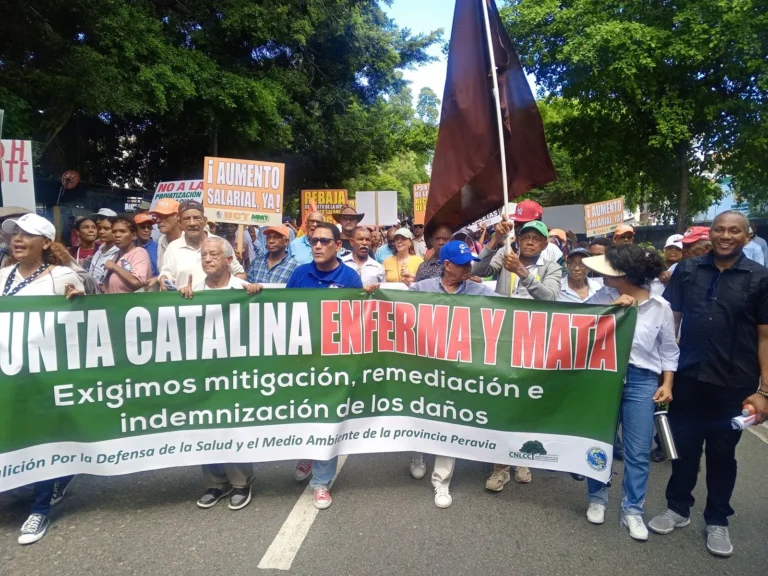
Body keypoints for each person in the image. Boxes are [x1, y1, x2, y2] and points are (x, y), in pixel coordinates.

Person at [648, 211, 768, 557]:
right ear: (710, 234)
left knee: (722, 453)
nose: (726, 236)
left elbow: (765, 337)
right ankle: (677, 508)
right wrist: (665, 373)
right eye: (720, 229)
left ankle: (717, 519)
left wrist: (764, 392)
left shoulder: (761, 278)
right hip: (687, 378)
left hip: (734, 384)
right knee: (683, 448)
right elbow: (669, 321)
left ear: (747, 236)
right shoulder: (687, 270)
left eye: (734, 231)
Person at [580, 245, 678, 541]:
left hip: (642, 381)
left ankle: (633, 509)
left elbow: (669, 350)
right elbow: (581, 331)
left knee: (638, 450)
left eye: (610, 270)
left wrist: (667, 383)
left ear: (627, 275)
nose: (603, 276)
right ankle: (597, 498)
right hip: (604, 378)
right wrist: (612, 310)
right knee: (600, 442)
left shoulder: (660, 307)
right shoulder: (602, 297)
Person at [0, 213, 84, 545]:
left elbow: (87, 313)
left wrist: (77, 300)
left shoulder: (61, 276)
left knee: (44, 436)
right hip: (9, 373)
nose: (18, 239)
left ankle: (40, 508)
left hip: (44, 374)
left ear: (46, 243)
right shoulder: (2, 275)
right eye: (15, 234)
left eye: (27, 234)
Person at [407, 240, 500, 508]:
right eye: (462, 264)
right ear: (447, 265)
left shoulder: (478, 290)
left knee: (450, 419)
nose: (468, 267)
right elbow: (397, 308)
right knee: (420, 413)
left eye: (469, 262)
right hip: (424, 368)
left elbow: (509, 310)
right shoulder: (422, 289)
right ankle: (417, 452)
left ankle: (442, 481)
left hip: (458, 370)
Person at [176, 237, 261, 510]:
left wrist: (257, 294)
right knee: (206, 423)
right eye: (204, 255)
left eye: (214, 254)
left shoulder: (244, 289)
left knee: (234, 423)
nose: (207, 259)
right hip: (204, 372)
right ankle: (215, 483)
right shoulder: (193, 291)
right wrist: (180, 300)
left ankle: (240, 482)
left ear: (228, 260)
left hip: (235, 372)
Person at [475, 220, 562, 489]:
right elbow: (477, 270)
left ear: (545, 244)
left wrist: (522, 273)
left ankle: (522, 456)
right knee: (501, 399)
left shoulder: (552, 267)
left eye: (537, 238)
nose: (530, 241)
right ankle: (500, 466)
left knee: (525, 400)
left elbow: (549, 297)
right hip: (502, 339)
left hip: (532, 342)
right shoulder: (506, 255)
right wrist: (493, 241)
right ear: (519, 239)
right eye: (526, 237)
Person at [285, 223, 363, 509]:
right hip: (303, 361)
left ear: (338, 246)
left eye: (324, 241)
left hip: (333, 363)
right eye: (313, 241)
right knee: (306, 413)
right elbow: (283, 310)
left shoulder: (350, 278)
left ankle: (321, 482)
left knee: (328, 419)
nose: (317, 246)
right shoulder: (299, 274)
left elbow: (356, 322)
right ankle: (309, 452)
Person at [159, 200, 245, 290]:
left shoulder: (221, 243)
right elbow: (166, 275)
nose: (192, 223)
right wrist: (163, 279)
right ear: (180, 223)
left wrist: (225, 293)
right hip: (185, 299)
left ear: (205, 221)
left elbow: (239, 274)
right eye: (186, 219)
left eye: (197, 218)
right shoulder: (173, 248)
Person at [101, 216, 152, 294]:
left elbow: (137, 282)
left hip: (132, 301)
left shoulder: (139, 253)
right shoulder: (116, 255)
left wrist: (114, 267)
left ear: (133, 235)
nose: (117, 235)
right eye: (114, 231)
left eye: (122, 231)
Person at [150, 199, 183, 273]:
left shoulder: (189, 240)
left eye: (163, 216)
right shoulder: (162, 240)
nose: (158, 220)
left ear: (177, 217)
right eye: (156, 216)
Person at [88, 209, 119, 285]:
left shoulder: (119, 253)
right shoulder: (99, 250)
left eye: (106, 229)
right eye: (99, 228)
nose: (101, 232)